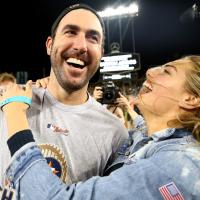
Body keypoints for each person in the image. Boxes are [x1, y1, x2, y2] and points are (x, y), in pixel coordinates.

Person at [1, 55, 200, 199]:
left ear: (191, 99)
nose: (150, 71)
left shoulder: (180, 165)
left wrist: (14, 112)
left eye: (167, 71)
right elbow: (140, 126)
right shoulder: (147, 135)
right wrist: (55, 87)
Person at [0, 3, 128, 189]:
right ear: (49, 45)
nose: (81, 46)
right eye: (70, 32)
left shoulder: (115, 133)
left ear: (100, 53)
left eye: (93, 38)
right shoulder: (9, 101)